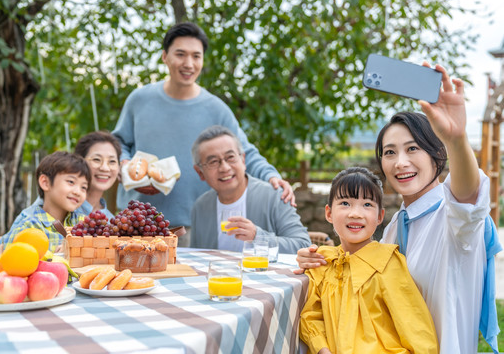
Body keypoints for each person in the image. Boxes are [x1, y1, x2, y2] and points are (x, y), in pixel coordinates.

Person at [296, 64, 501, 353]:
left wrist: (456, 138)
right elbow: (365, 269)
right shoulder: (395, 226)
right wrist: (320, 258)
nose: (400, 162)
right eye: (390, 152)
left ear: (437, 155)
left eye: (413, 148)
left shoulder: (453, 219)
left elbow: (468, 195)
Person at [111, 22, 294, 246]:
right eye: (180, 54)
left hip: (190, 228)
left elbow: (244, 152)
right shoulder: (139, 100)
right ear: (164, 56)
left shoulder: (216, 108)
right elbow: (119, 142)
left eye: (196, 56)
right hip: (136, 224)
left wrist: (272, 176)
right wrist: (124, 164)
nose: (189, 64)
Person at [300, 167, 438, 354]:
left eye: (367, 205)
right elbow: (311, 315)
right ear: (329, 213)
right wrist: (322, 349)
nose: (356, 213)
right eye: (345, 203)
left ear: (380, 216)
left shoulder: (387, 264)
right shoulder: (324, 262)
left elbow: (416, 330)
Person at [190, 126, 311, 253]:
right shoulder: (200, 207)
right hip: (217, 273)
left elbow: (303, 245)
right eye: (213, 162)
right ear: (200, 172)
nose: (224, 168)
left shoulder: (274, 196)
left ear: (243, 159)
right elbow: (195, 257)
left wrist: (258, 236)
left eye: (230, 157)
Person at [0, 151, 91, 250]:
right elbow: (8, 259)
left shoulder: (82, 222)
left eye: (84, 187)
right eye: (71, 182)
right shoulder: (29, 225)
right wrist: (53, 257)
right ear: (45, 183)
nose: (78, 192)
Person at [21, 131, 121, 219]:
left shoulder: (110, 221)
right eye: (96, 159)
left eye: (112, 161)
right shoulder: (55, 207)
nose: (105, 168)